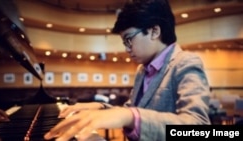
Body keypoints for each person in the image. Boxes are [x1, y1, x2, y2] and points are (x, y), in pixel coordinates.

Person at [44, 0, 211, 141]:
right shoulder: (142, 70)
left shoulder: (185, 62)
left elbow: (198, 127)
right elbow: (130, 110)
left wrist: (129, 116)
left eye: (129, 39)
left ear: (154, 31)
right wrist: (101, 108)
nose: (127, 48)